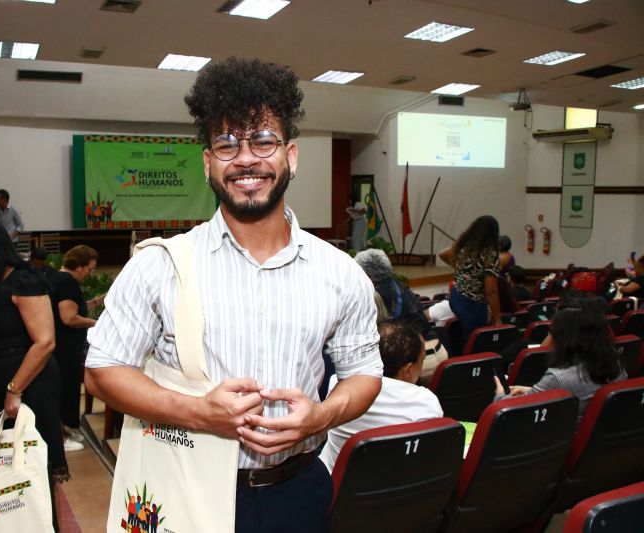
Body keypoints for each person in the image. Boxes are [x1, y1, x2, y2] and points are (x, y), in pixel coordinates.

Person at [85, 56, 382, 533]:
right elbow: (102, 372)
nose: (246, 159)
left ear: (291, 155)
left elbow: (364, 373)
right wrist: (198, 413)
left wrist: (320, 416)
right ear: (208, 164)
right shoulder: (159, 265)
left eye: (263, 140)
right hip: (187, 489)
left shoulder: (340, 273)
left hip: (298, 494)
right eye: (226, 144)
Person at [0, 219, 67, 529]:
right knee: (2, 462)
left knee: (33, 463)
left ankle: (43, 525)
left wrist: (14, 388)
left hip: (27, 384)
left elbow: (45, 341)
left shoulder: (24, 282)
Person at [319, 322, 442, 472]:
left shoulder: (336, 384)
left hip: (335, 483)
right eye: (421, 360)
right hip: (396, 483)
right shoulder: (426, 402)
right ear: (408, 369)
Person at [495, 298, 626, 421]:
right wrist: (531, 390)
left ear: (563, 337)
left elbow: (509, 414)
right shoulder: (616, 363)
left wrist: (500, 395)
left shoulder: (558, 377)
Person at [354, 248, 447, 383]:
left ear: (367, 274)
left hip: (419, 360)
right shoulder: (397, 285)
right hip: (437, 350)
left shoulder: (375, 295)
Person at [49, 244, 104, 452]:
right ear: (77, 265)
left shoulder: (58, 279)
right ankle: (61, 438)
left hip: (61, 347)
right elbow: (69, 317)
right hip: (64, 349)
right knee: (63, 390)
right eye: (89, 269)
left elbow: (77, 307)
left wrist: (99, 301)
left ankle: (64, 430)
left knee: (64, 388)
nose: (90, 274)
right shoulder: (67, 283)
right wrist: (97, 323)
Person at [438, 215, 502, 338]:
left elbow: (442, 254)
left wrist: (460, 269)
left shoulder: (464, 245)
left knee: (461, 334)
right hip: (472, 303)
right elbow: (491, 291)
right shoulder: (490, 253)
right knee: (475, 340)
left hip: (456, 296)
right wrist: (497, 317)